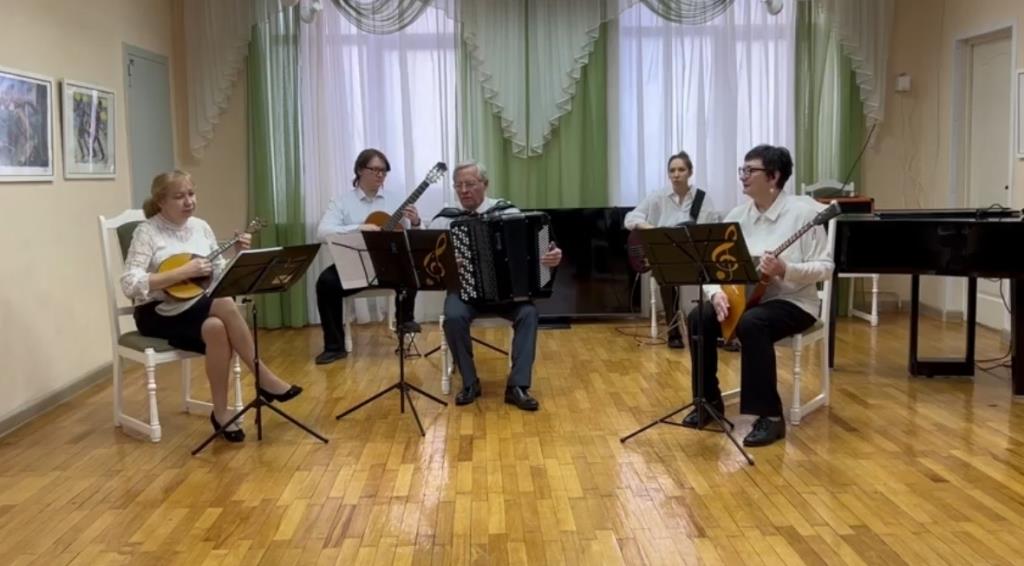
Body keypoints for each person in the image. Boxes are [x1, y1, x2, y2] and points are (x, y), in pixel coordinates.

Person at [121, 170, 302, 443]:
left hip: (196, 306)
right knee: (223, 303)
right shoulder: (147, 232)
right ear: (160, 201)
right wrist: (180, 273)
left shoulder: (201, 227)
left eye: (191, 194)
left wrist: (239, 255)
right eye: (179, 196)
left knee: (216, 327)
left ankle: (220, 413)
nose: (188, 201)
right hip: (157, 311)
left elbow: (217, 276)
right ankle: (263, 376)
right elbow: (129, 283)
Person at [684, 145, 833, 447]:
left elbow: (826, 268)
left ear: (774, 176)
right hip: (747, 299)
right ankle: (707, 402)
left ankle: (770, 417)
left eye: (750, 170)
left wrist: (785, 269)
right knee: (699, 316)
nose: (743, 176)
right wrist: (715, 295)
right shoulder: (737, 216)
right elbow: (713, 267)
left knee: (752, 323)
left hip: (794, 302)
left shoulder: (805, 214)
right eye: (743, 169)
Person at [428, 161, 563, 411]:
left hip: (507, 295)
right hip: (464, 293)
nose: (464, 190)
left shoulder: (508, 212)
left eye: (470, 184)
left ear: (485, 184)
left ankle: (518, 386)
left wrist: (552, 257)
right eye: (458, 185)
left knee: (528, 313)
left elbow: (538, 252)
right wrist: (448, 263)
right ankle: (470, 382)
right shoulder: (444, 220)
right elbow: (428, 261)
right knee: (453, 317)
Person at [314, 148, 422, 365]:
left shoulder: (397, 201)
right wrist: (358, 228)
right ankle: (334, 347)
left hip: (388, 266)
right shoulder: (341, 202)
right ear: (360, 170)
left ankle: (404, 322)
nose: (380, 175)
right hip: (355, 265)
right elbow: (322, 232)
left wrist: (416, 222)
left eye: (384, 171)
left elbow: (415, 239)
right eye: (374, 169)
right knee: (325, 283)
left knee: (412, 271)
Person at [624, 150, 720, 348]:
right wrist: (652, 229)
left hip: (694, 256)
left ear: (690, 172)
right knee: (665, 270)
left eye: (681, 170)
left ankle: (714, 328)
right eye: (672, 170)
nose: (676, 174)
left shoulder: (702, 199)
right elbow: (630, 218)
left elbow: (709, 230)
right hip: (666, 257)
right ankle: (673, 331)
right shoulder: (657, 197)